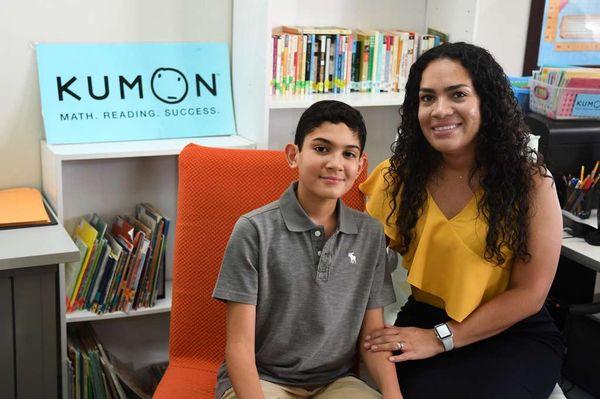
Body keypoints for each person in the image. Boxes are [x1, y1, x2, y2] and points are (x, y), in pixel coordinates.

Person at [360, 42, 564, 398]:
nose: (440, 110)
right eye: (427, 98)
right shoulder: (397, 178)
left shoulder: (531, 183)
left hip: (512, 333)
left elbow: (530, 294)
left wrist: (439, 340)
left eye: (457, 94)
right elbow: (359, 269)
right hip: (424, 318)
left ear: (486, 102)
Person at [212, 100, 402, 399]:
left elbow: (373, 338)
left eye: (348, 154)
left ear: (360, 165)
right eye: (322, 149)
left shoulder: (371, 234)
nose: (335, 163)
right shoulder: (253, 230)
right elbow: (238, 345)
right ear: (293, 155)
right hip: (264, 380)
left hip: (336, 383)